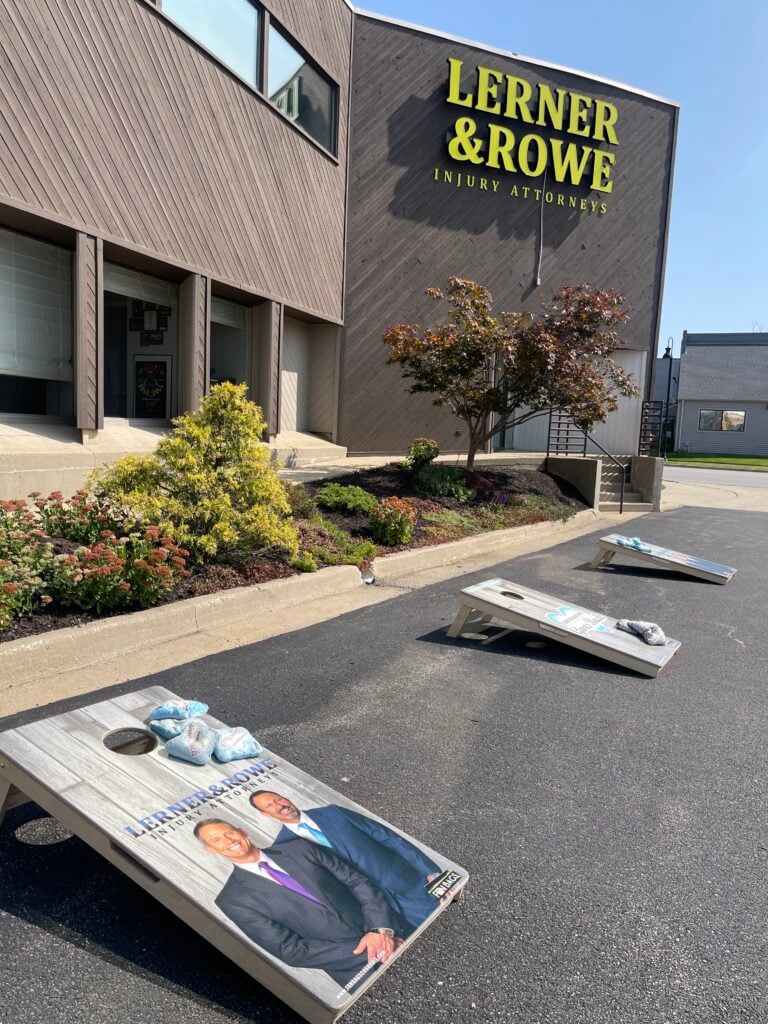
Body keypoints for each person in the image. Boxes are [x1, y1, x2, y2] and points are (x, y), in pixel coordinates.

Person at [194, 818, 408, 989]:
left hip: (397, 933)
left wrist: (381, 930)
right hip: (357, 969)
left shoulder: (300, 848)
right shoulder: (233, 900)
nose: (228, 840)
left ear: (242, 831)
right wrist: (372, 950)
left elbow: (357, 882)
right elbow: (289, 949)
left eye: (229, 832)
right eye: (216, 840)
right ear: (210, 850)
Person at [249, 790, 441, 928]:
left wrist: (430, 871)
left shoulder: (334, 813)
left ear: (287, 798)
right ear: (266, 814)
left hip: (411, 883)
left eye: (278, 799)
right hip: (382, 909)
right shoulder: (284, 847)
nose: (279, 805)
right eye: (270, 805)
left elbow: (388, 838)